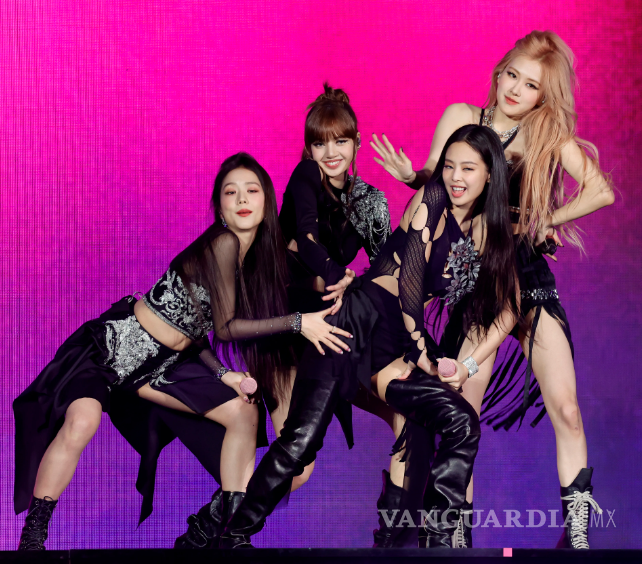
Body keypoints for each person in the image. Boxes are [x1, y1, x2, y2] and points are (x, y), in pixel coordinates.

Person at [13, 152, 349, 550]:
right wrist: (298, 322)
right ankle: (33, 537)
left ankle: (227, 529)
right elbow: (225, 328)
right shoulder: (223, 242)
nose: (242, 199)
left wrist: (224, 374)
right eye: (231, 192)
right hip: (111, 349)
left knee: (244, 411)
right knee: (82, 421)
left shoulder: (252, 262)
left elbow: (195, 331)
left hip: (162, 365)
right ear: (220, 206)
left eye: (252, 190)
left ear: (266, 202)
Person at [218, 124, 520, 549]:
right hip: (354, 323)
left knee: (460, 422)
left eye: (468, 168)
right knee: (301, 442)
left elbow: (510, 306)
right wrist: (423, 354)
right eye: (449, 165)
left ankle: (433, 543)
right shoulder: (432, 199)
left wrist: (469, 364)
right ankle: (230, 537)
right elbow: (410, 283)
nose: (455, 177)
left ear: (489, 174)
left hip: (394, 342)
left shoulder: (491, 231)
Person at [371, 30, 614, 549]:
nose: (515, 90)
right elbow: (439, 180)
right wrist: (413, 176)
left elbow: (601, 190)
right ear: (499, 71)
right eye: (512, 75)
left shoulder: (545, 135)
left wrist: (545, 220)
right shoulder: (462, 115)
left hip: (526, 274)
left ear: (543, 95)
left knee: (567, 408)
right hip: (479, 278)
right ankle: (455, 533)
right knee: (465, 412)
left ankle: (577, 537)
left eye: (531, 85)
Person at [173, 83, 400, 550]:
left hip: (335, 336)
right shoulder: (304, 180)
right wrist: (336, 275)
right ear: (308, 148)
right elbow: (309, 244)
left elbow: (386, 277)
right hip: (286, 334)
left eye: (341, 141)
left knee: (404, 411)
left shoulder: (373, 203)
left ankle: (396, 533)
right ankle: (214, 527)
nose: (330, 153)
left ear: (357, 142)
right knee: (299, 462)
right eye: (319, 143)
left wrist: (361, 292)